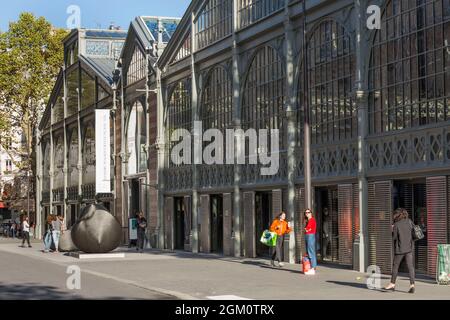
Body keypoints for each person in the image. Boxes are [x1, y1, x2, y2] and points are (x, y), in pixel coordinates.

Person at [384, 208, 415, 294]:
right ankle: (412, 285)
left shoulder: (396, 224)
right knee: (410, 267)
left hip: (400, 249)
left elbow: (394, 238)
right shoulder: (409, 221)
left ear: (397, 215)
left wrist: (392, 229)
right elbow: (414, 233)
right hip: (409, 248)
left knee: (395, 266)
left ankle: (392, 284)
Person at [304, 209, 317, 275]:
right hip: (308, 236)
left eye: (308, 212)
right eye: (306, 213)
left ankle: (313, 268)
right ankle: (310, 268)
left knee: (311, 252)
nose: (307, 214)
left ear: (311, 213)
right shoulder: (308, 220)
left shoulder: (312, 220)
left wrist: (306, 229)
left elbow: (308, 228)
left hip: (310, 236)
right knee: (309, 252)